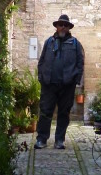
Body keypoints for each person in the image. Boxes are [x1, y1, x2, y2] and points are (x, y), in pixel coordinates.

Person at [35, 13, 85, 149]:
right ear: (56, 26)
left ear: (69, 28)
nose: (63, 27)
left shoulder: (75, 43)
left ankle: (59, 140)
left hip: (67, 85)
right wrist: (41, 77)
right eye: (60, 25)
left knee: (64, 113)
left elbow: (80, 63)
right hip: (49, 84)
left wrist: (75, 79)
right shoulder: (49, 42)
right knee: (45, 111)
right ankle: (42, 139)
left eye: (65, 25)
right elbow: (42, 61)